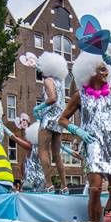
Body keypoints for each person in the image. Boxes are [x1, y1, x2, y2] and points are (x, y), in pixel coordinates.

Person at [59, 47, 111, 222]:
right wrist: (78, 131)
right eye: (102, 69)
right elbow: (62, 119)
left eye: (106, 69)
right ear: (90, 71)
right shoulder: (80, 96)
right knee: (95, 188)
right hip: (93, 144)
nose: (106, 73)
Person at [33, 52, 71, 192]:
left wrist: (38, 107)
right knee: (57, 154)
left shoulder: (48, 80)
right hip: (58, 120)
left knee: (43, 150)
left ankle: (48, 184)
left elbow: (52, 98)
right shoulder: (60, 82)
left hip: (48, 118)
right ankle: (64, 186)